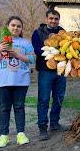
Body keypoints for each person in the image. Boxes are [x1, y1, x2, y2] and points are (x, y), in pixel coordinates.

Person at [0, 16, 35, 148]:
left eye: (19, 26)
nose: (16, 28)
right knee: (4, 107)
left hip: (20, 81)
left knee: (19, 107)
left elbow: (32, 60)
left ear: (21, 29)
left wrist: (17, 54)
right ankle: (4, 136)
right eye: (13, 25)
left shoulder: (26, 43)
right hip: (2, 80)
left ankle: (21, 134)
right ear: (8, 27)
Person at [31, 9, 68, 140]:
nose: (53, 21)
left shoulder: (63, 33)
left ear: (59, 20)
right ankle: (42, 128)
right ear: (46, 19)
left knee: (59, 98)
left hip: (61, 71)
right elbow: (38, 50)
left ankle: (54, 124)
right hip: (45, 71)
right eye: (51, 18)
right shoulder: (38, 33)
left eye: (56, 19)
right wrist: (55, 54)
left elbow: (68, 49)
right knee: (44, 99)